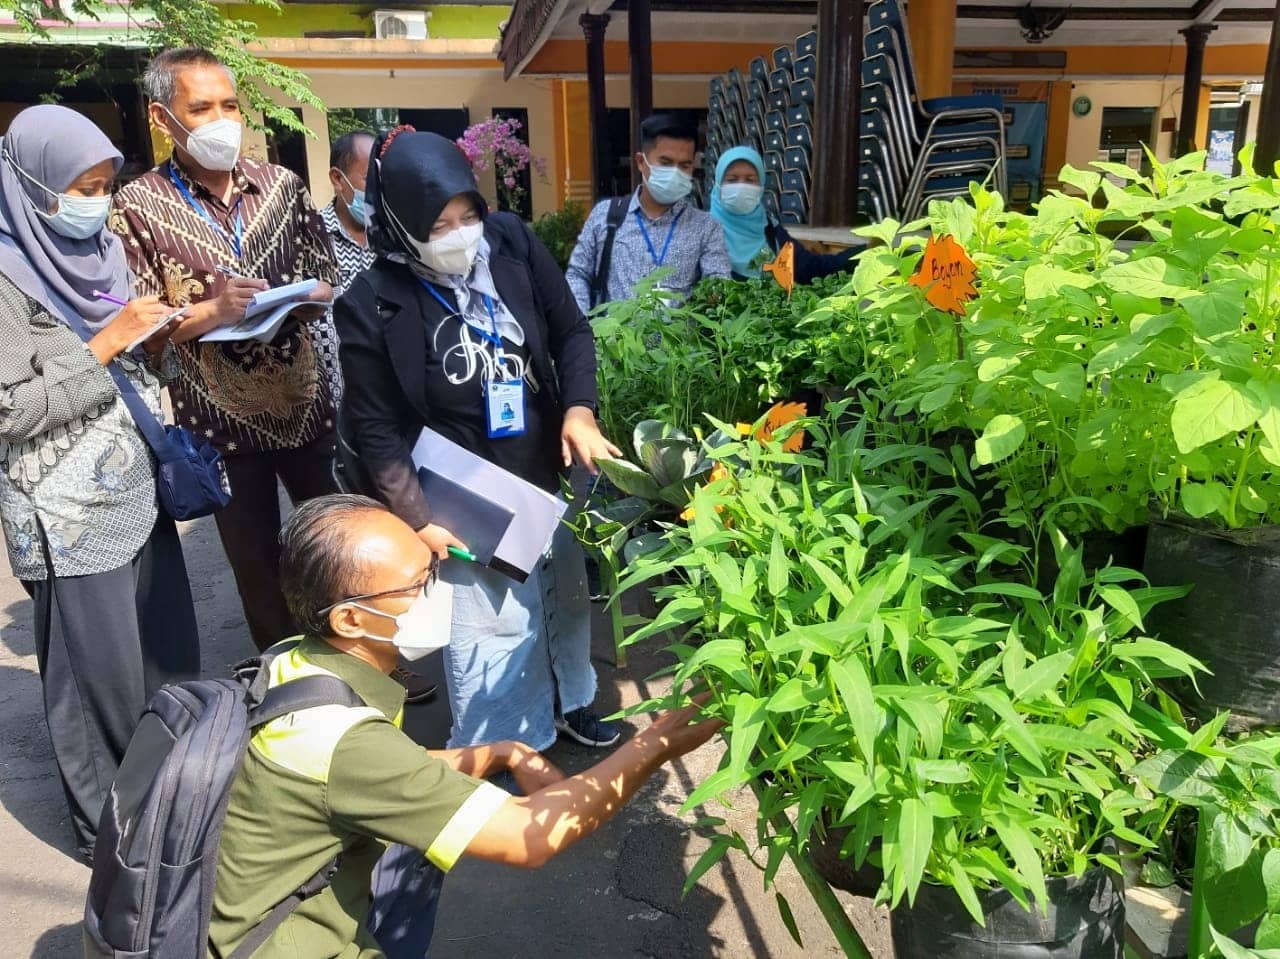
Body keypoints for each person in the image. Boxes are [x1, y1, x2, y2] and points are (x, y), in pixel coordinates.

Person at [208, 494, 721, 957]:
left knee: (417, 855)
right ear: (350, 619)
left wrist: (501, 751)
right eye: (420, 583)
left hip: (264, 896)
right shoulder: (337, 737)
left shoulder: (295, 664)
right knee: (420, 858)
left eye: (432, 565)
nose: (439, 588)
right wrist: (658, 742)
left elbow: (383, 770)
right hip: (287, 943)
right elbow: (530, 836)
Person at [335, 126, 624, 751]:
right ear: (400, 223)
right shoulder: (371, 302)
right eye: (438, 226)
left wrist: (580, 410)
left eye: (467, 215)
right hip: (464, 493)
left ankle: (571, 701)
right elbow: (375, 426)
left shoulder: (510, 242)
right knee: (492, 626)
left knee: (567, 596)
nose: (460, 234)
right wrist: (418, 518)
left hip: (545, 462)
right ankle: (503, 747)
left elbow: (571, 331)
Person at [0, 104, 201, 861]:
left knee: (163, 657)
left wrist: (157, 337)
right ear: (31, 184)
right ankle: (109, 832)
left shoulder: (102, 252)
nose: (99, 203)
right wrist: (106, 346)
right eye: (82, 188)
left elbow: (129, 360)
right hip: (65, 514)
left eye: (106, 185)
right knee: (96, 685)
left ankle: (173, 794)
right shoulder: (5, 276)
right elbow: (11, 410)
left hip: (135, 490)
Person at [111, 48, 342, 655]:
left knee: (337, 544)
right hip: (218, 425)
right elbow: (137, 326)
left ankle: (365, 662)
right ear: (162, 118)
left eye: (230, 105)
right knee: (257, 565)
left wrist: (303, 297)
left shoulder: (282, 187)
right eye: (202, 108)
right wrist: (212, 313)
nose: (222, 121)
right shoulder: (137, 206)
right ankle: (288, 676)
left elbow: (326, 276)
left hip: (304, 404)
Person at [566, 113, 731, 311]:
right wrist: (583, 325)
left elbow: (718, 285)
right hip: (612, 331)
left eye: (684, 165)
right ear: (641, 162)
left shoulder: (705, 227)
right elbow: (578, 275)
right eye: (666, 163)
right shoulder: (606, 215)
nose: (675, 172)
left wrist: (715, 300)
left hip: (679, 331)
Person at [710, 146, 856, 284]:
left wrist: (863, 252)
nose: (742, 187)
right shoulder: (704, 233)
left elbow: (811, 268)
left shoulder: (771, 230)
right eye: (732, 180)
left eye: (750, 180)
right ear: (718, 185)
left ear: (761, 186)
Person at [316, 129, 378, 408]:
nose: (378, 189)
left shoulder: (396, 240)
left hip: (391, 408)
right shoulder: (309, 237)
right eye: (369, 179)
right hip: (330, 407)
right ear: (338, 179)